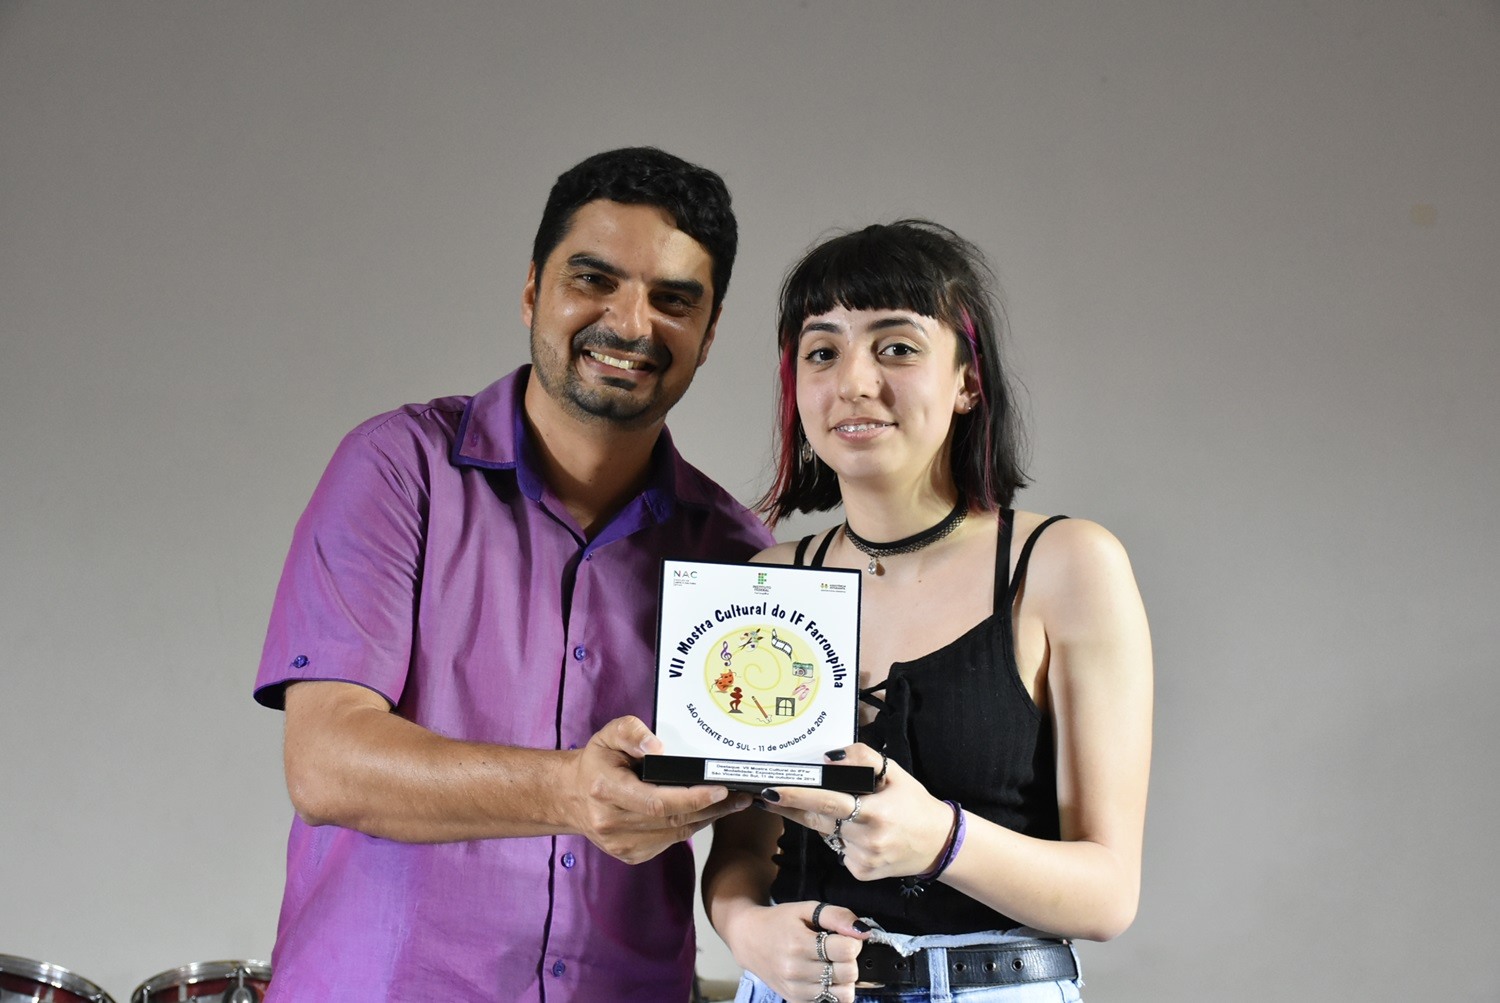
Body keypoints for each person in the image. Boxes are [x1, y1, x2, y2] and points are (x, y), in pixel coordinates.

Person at [253, 147, 773, 1002]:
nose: (632, 324)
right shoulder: (398, 469)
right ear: (533, 290)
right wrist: (571, 790)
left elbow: (754, 830)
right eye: (594, 279)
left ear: (709, 335)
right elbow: (326, 762)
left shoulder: (738, 556)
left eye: (674, 300)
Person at [703, 221, 1152, 1002]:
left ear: (968, 382)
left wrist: (942, 839)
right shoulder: (768, 581)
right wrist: (747, 929)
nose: (854, 381)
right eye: (822, 352)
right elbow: (741, 847)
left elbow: (1109, 892)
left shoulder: (1065, 565)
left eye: (896, 347)